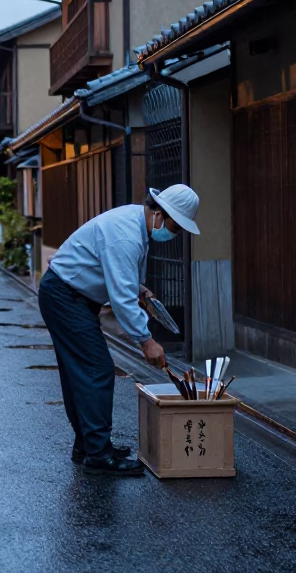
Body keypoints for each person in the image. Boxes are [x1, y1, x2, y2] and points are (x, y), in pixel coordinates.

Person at [38, 184, 201, 476]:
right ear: (161, 215)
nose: (176, 234)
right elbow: (121, 298)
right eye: (177, 227)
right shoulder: (126, 235)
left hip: (68, 294)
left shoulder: (137, 223)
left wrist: (139, 289)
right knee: (97, 370)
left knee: (81, 372)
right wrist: (146, 340)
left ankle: (88, 446)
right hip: (66, 296)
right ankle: (98, 455)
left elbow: (121, 280)